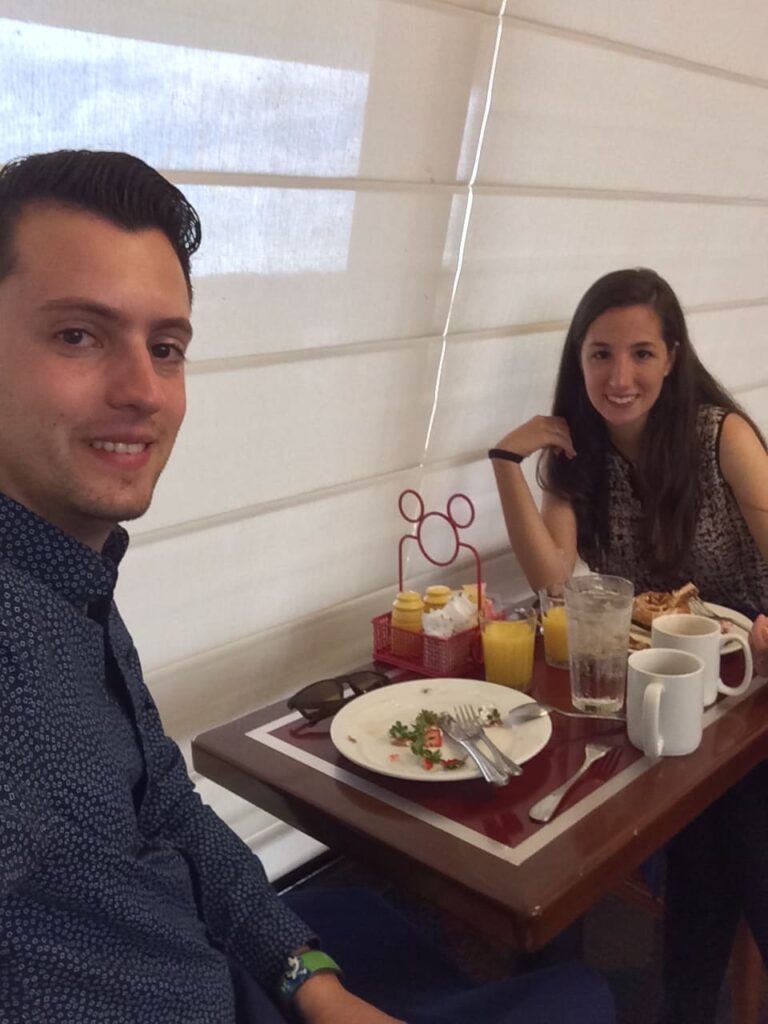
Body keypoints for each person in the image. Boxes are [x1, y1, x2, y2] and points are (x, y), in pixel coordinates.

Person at [0, 149, 616, 1024]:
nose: (143, 390)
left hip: (215, 958)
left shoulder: (74, 579)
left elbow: (170, 811)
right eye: (77, 335)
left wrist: (309, 983)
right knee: (580, 998)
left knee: (362, 919)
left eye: (166, 347)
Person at [490, 267, 768, 1023]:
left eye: (641, 353)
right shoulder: (580, 453)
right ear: (578, 361)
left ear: (672, 357)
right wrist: (505, 463)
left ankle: (685, 999)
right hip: (670, 689)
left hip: (754, 682)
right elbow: (550, 575)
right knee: (563, 813)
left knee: (734, 831)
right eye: (601, 354)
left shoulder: (721, 436)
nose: (620, 377)